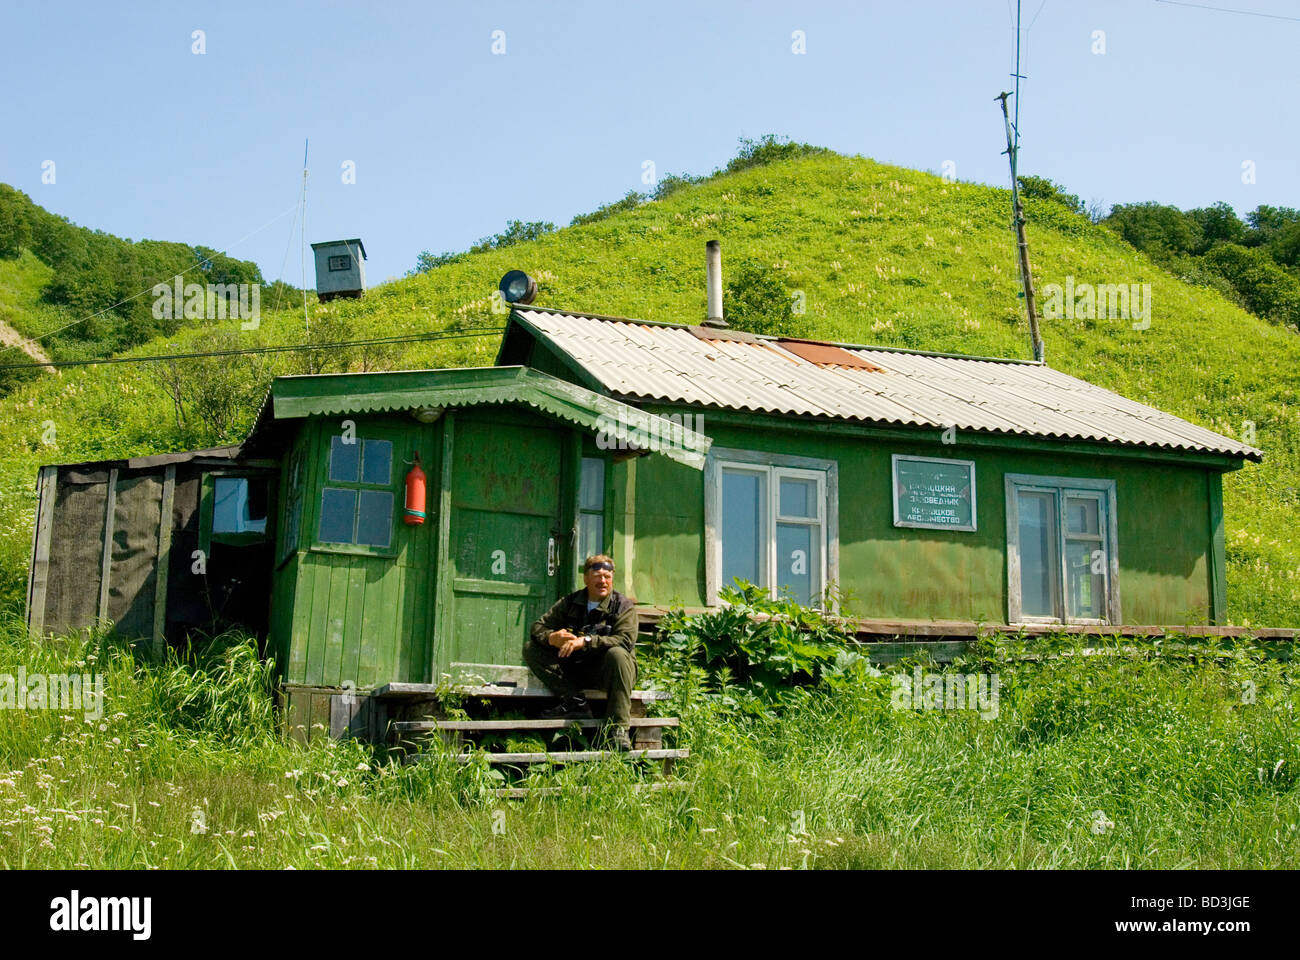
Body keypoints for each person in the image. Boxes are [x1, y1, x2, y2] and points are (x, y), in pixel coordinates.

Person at [525, 554, 637, 751]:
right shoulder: (570, 602)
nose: (602, 581)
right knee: (531, 649)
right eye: (597, 575)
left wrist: (585, 641)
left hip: (610, 672)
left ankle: (618, 731)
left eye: (607, 576)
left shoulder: (623, 606)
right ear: (586, 578)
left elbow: (625, 640)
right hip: (577, 672)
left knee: (618, 654)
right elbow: (537, 627)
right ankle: (575, 702)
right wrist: (552, 637)